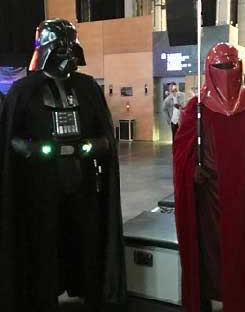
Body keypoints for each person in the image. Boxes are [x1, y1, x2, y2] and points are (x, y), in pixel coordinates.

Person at [0, 18, 126, 312]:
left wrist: (92, 146)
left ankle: (91, 291)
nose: (67, 53)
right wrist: (32, 150)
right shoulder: (23, 91)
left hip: (82, 183)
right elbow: (9, 141)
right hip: (40, 187)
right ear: (46, 48)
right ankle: (41, 297)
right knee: (43, 243)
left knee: (86, 239)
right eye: (60, 46)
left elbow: (106, 137)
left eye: (70, 45)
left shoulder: (87, 87)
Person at [173, 42, 245, 312]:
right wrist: (190, 170)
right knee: (210, 252)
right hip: (209, 199)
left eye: (231, 65)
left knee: (244, 247)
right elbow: (181, 151)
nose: (226, 72)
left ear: (240, 67)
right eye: (219, 66)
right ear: (209, 69)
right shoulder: (197, 108)